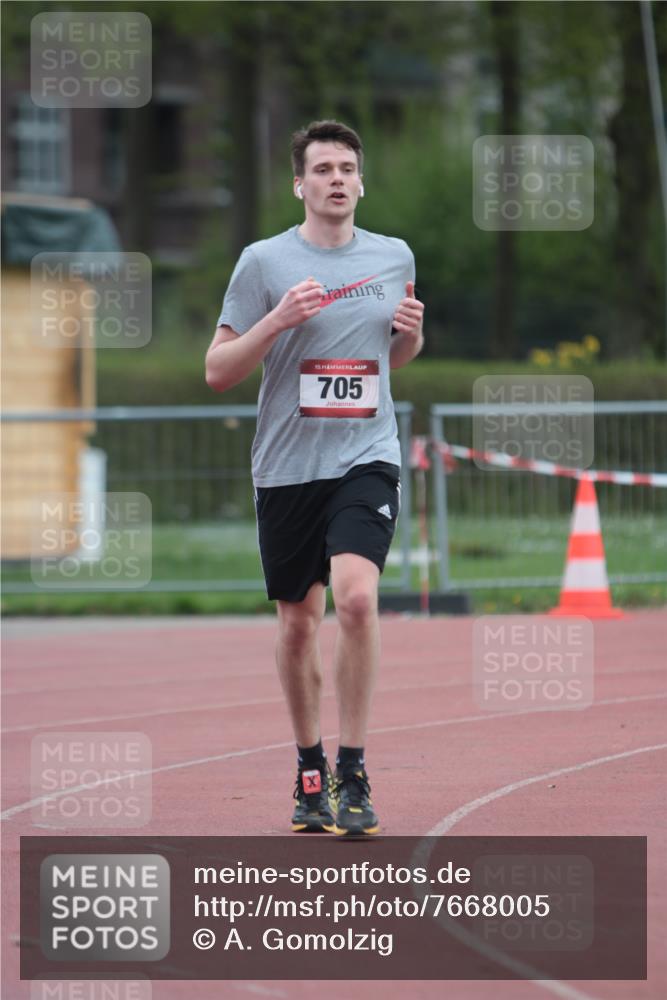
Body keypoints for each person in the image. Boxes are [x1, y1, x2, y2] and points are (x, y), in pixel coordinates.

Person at [205, 120, 424, 836]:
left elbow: (381, 366)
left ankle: (353, 767)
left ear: (361, 182)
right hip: (287, 466)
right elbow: (217, 371)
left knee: (356, 601)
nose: (336, 179)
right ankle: (308, 772)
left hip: (366, 457)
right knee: (299, 624)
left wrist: (411, 338)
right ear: (298, 184)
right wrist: (276, 320)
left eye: (347, 168)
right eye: (322, 168)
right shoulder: (263, 262)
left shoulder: (393, 258)